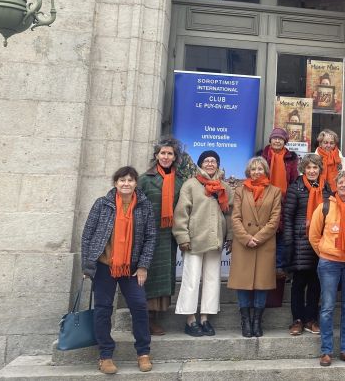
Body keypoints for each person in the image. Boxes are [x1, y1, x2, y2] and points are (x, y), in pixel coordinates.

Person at [81, 166, 156, 375]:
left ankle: (143, 353)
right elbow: (88, 235)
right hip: (104, 266)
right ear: (115, 183)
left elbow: (150, 238)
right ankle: (105, 356)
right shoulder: (102, 204)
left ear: (135, 184)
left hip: (131, 268)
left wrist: (143, 266)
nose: (126, 184)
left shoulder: (144, 206)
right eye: (122, 180)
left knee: (139, 306)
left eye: (130, 180)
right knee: (103, 309)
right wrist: (87, 266)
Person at [309, 171, 345, 367]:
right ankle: (326, 352)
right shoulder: (324, 207)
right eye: (340, 182)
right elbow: (314, 236)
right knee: (327, 308)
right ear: (336, 185)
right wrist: (327, 252)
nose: (343, 185)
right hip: (329, 263)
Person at [173, 150, 233, 337]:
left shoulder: (224, 187)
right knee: (191, 280)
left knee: (212, 279)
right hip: (194, 240)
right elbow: (181, 213)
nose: (210, 164)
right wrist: (182, 237)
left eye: (213, 161)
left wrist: (230, 236)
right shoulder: (190, 185)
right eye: (206, 160)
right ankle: (190, 319)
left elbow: (230, 214)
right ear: (201, 164)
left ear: (218, 164)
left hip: (215, 240)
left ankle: (205, 317)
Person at [228, 156, 282, 337]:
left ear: (266, 171)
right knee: (242, 283)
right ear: (248, 172)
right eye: (254, 169)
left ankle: (257, 320)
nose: (257, 172)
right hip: (244, 244)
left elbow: (275, 220)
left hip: (264, 243)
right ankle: (245, 320)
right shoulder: (240, 191)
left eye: (260, 169)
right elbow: (235, 217)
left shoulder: (275, 191)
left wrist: (258, 238)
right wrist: (246, 238)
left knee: (262, 283)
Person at [137, 137, 185, 336]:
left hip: (168, 236)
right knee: (146, 276)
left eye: (170, 153)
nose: (166, 157)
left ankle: (155, 317)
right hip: (147, 235)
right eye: (162, 153)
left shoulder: (180, 181)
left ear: (175, 157)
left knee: (163, 277)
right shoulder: (144, 179)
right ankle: (144, 319)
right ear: (156, 155)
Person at [283, 153, 330, 336]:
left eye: (315, 168)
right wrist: (289, 242)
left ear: (320, 170)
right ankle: (297, 320)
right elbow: (288, 217)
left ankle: (311, 319)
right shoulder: (296, 188)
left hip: (319, 242)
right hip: (300, 241)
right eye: (309, 167)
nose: (312, 171)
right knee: (298, 283)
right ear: (304, 169)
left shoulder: (326, 189)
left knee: (315, 283)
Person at [257, 128, 299, 279]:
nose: (277, 141)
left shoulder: (292, 158)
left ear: (285, 141)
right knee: (266, 232)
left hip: (285, 200)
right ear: (270, 140)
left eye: (280, 139)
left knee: (281, 234)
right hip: (263, 200)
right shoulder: (261, 156)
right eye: (274, 138)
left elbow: (294, 180)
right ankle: (265, 266)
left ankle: (279, 266)